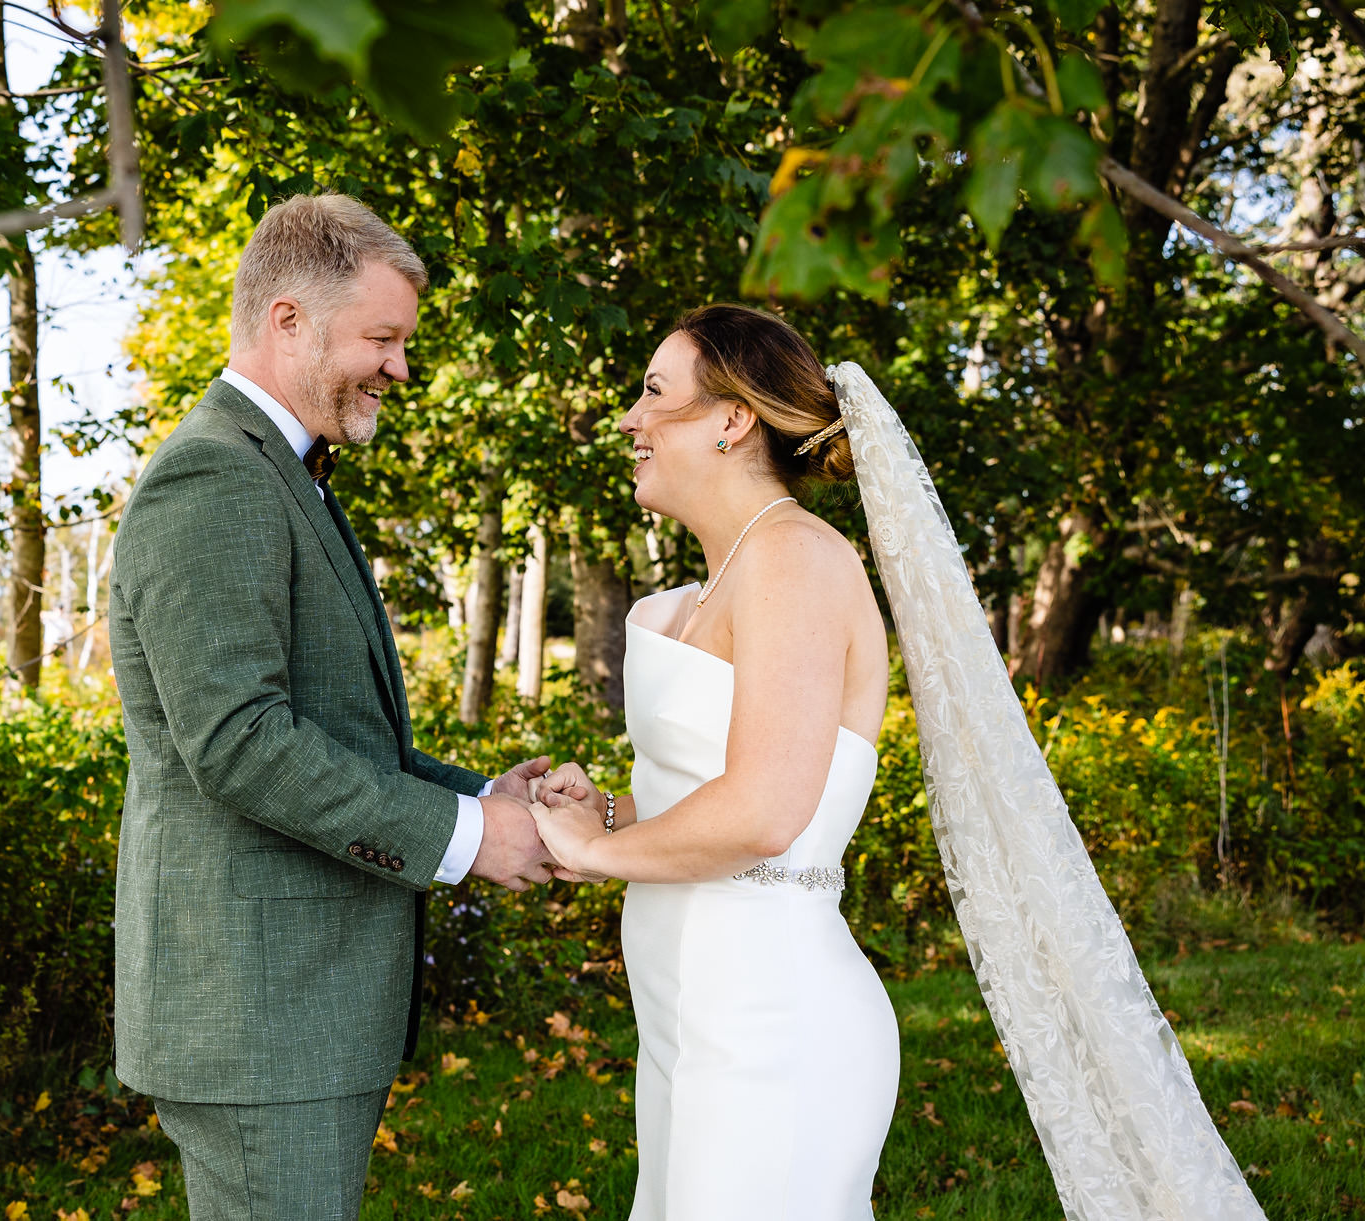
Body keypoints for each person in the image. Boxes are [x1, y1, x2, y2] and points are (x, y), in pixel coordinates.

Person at [528, 304, 1267, 1220]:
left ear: (731, 420)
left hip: (773, 1022)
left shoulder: (797, 559)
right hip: (692, 1015)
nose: (630, 420)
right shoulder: (706, 585)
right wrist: (609, 815)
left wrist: (590, 855)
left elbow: (765, 811)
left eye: (652, 393)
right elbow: (706, 793)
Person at [106, 193, 554, 1221]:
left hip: (297, 1009)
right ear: (288, 322)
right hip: (260, 1012)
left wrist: (483, 793)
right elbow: (240, 745)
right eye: (383, 337)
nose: (399, 364)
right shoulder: (213, 478)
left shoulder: (283, 475)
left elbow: (334, 732)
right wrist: (466, 836)